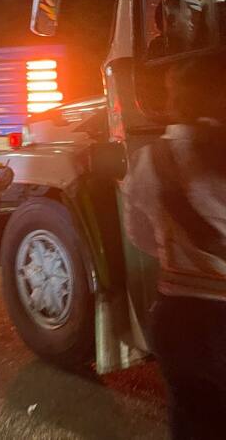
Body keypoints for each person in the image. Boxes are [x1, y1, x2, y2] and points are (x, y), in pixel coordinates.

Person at [124, 55, 226, 440]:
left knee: (192, 420)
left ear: (174, 99)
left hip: (180, 318)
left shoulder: (149, 159)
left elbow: (140, 237)